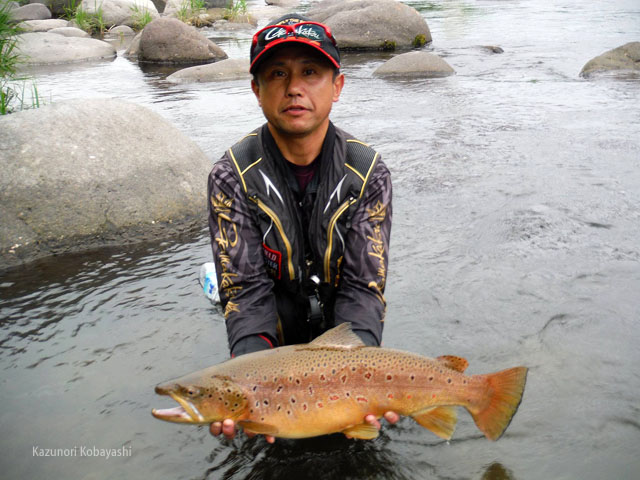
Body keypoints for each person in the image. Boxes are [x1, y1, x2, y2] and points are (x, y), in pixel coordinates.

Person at [207, 14, 396, 443]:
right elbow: (244, 291)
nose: (294, 87)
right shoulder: (230, 176)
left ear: (338, 86)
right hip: (271, 340)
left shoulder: (368, 173)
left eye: (310, 72)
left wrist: (362, 374)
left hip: (346, 338)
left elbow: (365, 287)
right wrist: (251, 385)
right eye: (278, 73)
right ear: (257, 90)